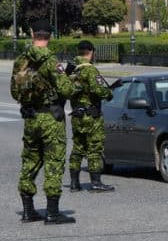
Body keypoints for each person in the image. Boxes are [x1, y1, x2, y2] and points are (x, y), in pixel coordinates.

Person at [11, 19, 77, 224]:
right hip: (51, 118)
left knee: (30, 161)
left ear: (32, 34)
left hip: (31, 118)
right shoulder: (51, 61)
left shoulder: (21, 60)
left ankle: (28, 210)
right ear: (49, 36)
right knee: (54, 163)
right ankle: (52, 212)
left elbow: (14, 92)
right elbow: (66, 90)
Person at [68, 40, 115, 193]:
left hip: (77, 115)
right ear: (91, 52)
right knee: (94, 148)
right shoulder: (90, 70)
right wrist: (109, 93)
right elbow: (99, 90)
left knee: (78, 148)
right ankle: (96, 183)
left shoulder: (72, 69)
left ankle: (74, 183)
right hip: (91, 116)